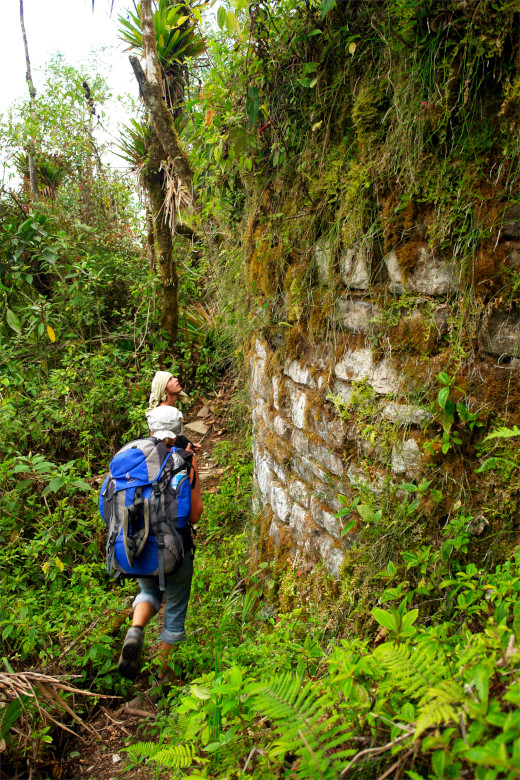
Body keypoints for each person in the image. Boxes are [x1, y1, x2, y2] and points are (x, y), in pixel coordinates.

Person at [117, 385, 203, 681]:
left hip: (139, 546)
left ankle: (136, 629)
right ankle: (163, 677)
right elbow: (193, 514)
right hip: (176, 551)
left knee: (148, 591)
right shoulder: (183, 462)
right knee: (175, 608)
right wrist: (193, 469)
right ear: (178, 429)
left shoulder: (131, 458)